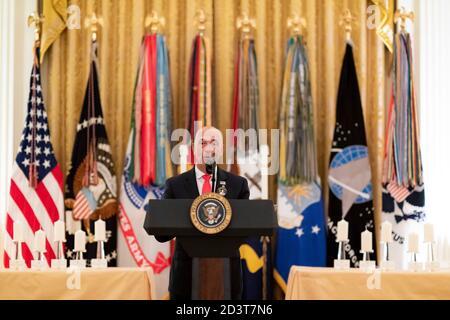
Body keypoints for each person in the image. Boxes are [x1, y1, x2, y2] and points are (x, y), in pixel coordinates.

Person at [156, 126, 250, 300]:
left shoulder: (238, 185)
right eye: (202, 143)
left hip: (227, 277)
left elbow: (244, 232)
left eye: (214, 143)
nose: (208, 148)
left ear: (221, 149)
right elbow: (161, 234)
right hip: (185, 277)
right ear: (194, 148)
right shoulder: (174, 185)